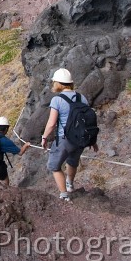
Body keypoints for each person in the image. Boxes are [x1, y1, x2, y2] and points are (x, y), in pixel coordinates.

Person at [41, 68, 99, 202]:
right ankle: (70, 185)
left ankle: (64, 195)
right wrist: (92, 140)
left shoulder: (57, 100)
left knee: (54, 166)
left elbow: (51, 123)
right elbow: (87, 120)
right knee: (72, 162)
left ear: (59, 83)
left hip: (64, 139)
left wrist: (44, 137)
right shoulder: (81, 97)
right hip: (80, 140)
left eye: (54, 82)